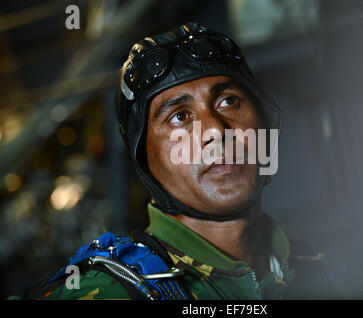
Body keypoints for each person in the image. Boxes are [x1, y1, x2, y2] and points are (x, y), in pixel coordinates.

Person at [26, 22, 341, 300]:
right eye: (179, 117)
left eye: (229, 100)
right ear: (145, 159)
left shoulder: (315, 271)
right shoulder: (110, 290)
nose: (216, 130)